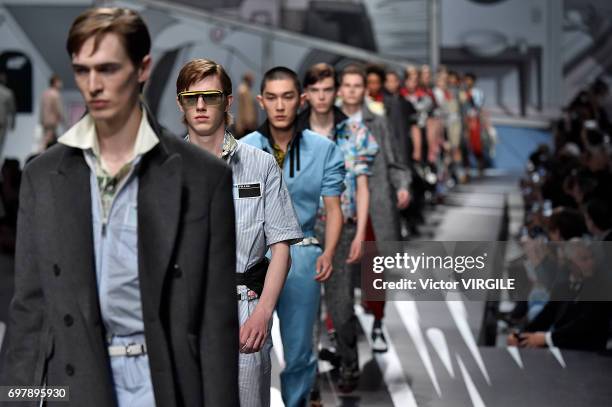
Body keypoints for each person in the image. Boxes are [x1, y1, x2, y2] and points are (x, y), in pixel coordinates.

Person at [0, 8, 239, 407]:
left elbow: (215, 326)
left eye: (108, 69)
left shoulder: (202, 178)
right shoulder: (42, 177)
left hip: (161, 384)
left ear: (142, 68)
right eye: (82, 70)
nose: (93, 85)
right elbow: (29, 314)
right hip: (71, 385)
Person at [175, 58, 303, 407]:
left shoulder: (260, 164)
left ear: (228, 101)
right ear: (181, 103)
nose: (200, 106)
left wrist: (263, 312)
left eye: (211, 96)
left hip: (244, 313)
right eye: (191, 97)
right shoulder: (165, 168)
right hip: (181, 313)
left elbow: (281, 248)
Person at [241, 66, 345, 407]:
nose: (280, 105)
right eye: (272, 97)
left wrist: (328, 252)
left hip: (302, 256)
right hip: (253, 262)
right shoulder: (242, 150)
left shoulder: (324, 149)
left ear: (301, 100)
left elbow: (332, 208)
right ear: (261, 101)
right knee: (249, 352)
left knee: (300, 350)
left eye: (288, 97)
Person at [296, 62, 378, 394]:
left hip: (342, 227)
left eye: (327, 89)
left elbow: (362, 186)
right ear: (306, 94)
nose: (321, 96)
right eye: (314, 90)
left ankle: (349, 363)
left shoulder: (354, 133)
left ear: (336, 91)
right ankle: (308, 369)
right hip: (301, 228)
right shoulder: (292, 132)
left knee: (341, 304)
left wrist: (360, 234)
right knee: (305, 306)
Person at [337, 64, 411, 352]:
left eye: (358, 85)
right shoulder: (329, 121)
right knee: (338, 272)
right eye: (348, 85)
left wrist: (402, 185)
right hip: (339, 206)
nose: (353, 90)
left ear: (365, 89)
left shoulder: (378, 122)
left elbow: (395, 161)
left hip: (373, 204)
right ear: (340, 89)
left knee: (373, 272)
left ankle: (378, 325)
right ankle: (341, 328)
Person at [39, 74, 65, 149]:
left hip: (45, 121)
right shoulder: (55, 94)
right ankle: (41, 156)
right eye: (59, 82)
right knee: (46, 141)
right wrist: (64, 120)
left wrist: (41, 120)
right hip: (52, 122)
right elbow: (59, 109)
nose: (61, 84)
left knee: (50, 139)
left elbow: (42, 109)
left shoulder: (45, 93)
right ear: (55, 82)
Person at [235, 72, 258, 138]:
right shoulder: (244, 91)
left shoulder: (245, 90)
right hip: (246, 124)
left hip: (246, 123)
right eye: (251, 80)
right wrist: (249, 121)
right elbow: (247, 108)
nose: (253, 82)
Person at [0, 72, 16, 160]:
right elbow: (12, 110)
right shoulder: (8, 93)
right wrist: (13, 124)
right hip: (2, 122)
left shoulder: (8, 93)